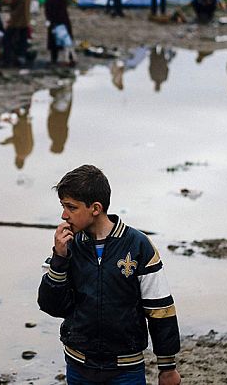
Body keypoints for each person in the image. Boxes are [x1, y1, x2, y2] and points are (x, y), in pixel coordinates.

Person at [38, 165, 181, 385]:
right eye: (63, 206)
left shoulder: (138, 246)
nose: (64, 215)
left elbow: (160, 309)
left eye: (71, 207)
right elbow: (52, 306)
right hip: (78, 366)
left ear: (95, 208)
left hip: (126, 369)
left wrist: (167, 367)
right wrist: (59, 258)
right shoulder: (69, 247)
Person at [4, 0, 31, 67]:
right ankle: (21, 57)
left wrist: (3, 1)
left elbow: (13, 3)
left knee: (7, 38)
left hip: (17, 19)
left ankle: (8, 59)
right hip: (25, 18)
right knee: (22, 39)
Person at [45, 0, 73, 65]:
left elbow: (49, 9)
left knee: (55, 42)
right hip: (63, 21)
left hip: (55, 21)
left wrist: (50, 19)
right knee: (66, 41)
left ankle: (55, 59)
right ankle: (70, 58)